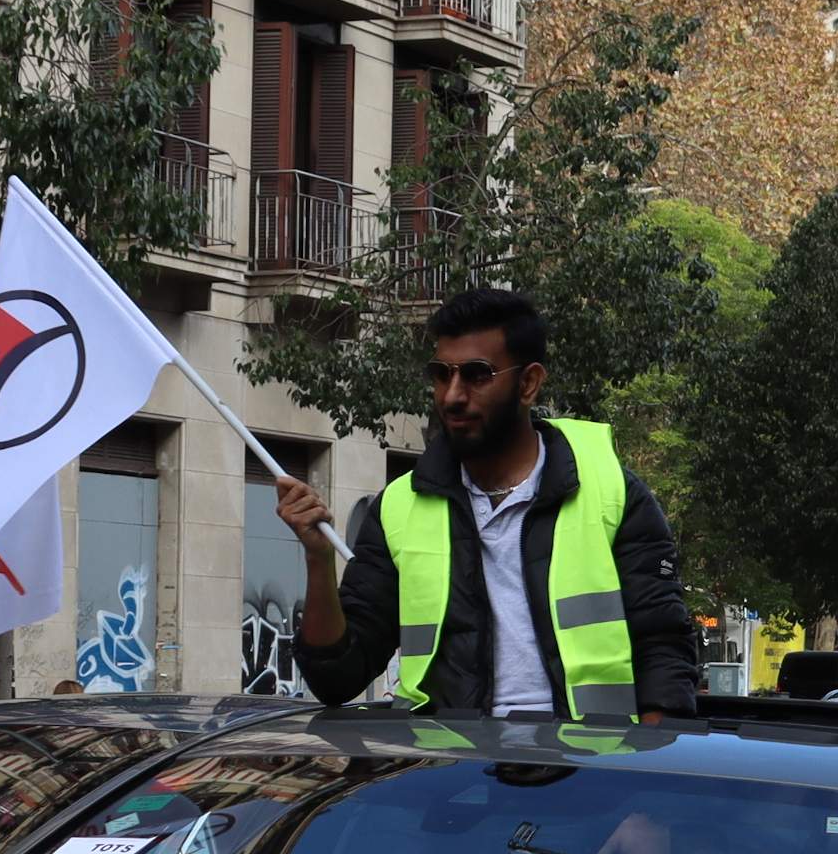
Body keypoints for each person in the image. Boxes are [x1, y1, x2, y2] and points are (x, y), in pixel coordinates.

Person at [276, 286, 704, 723]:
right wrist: (318, 558)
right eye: (442, 375)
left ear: (529, 383)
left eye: (477, 374)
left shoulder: (610, 490)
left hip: (586, 768)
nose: (452, 396)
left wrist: (643, 768)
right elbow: (338, 678)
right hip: (451, 771)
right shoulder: (400, 506)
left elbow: (664, 650)